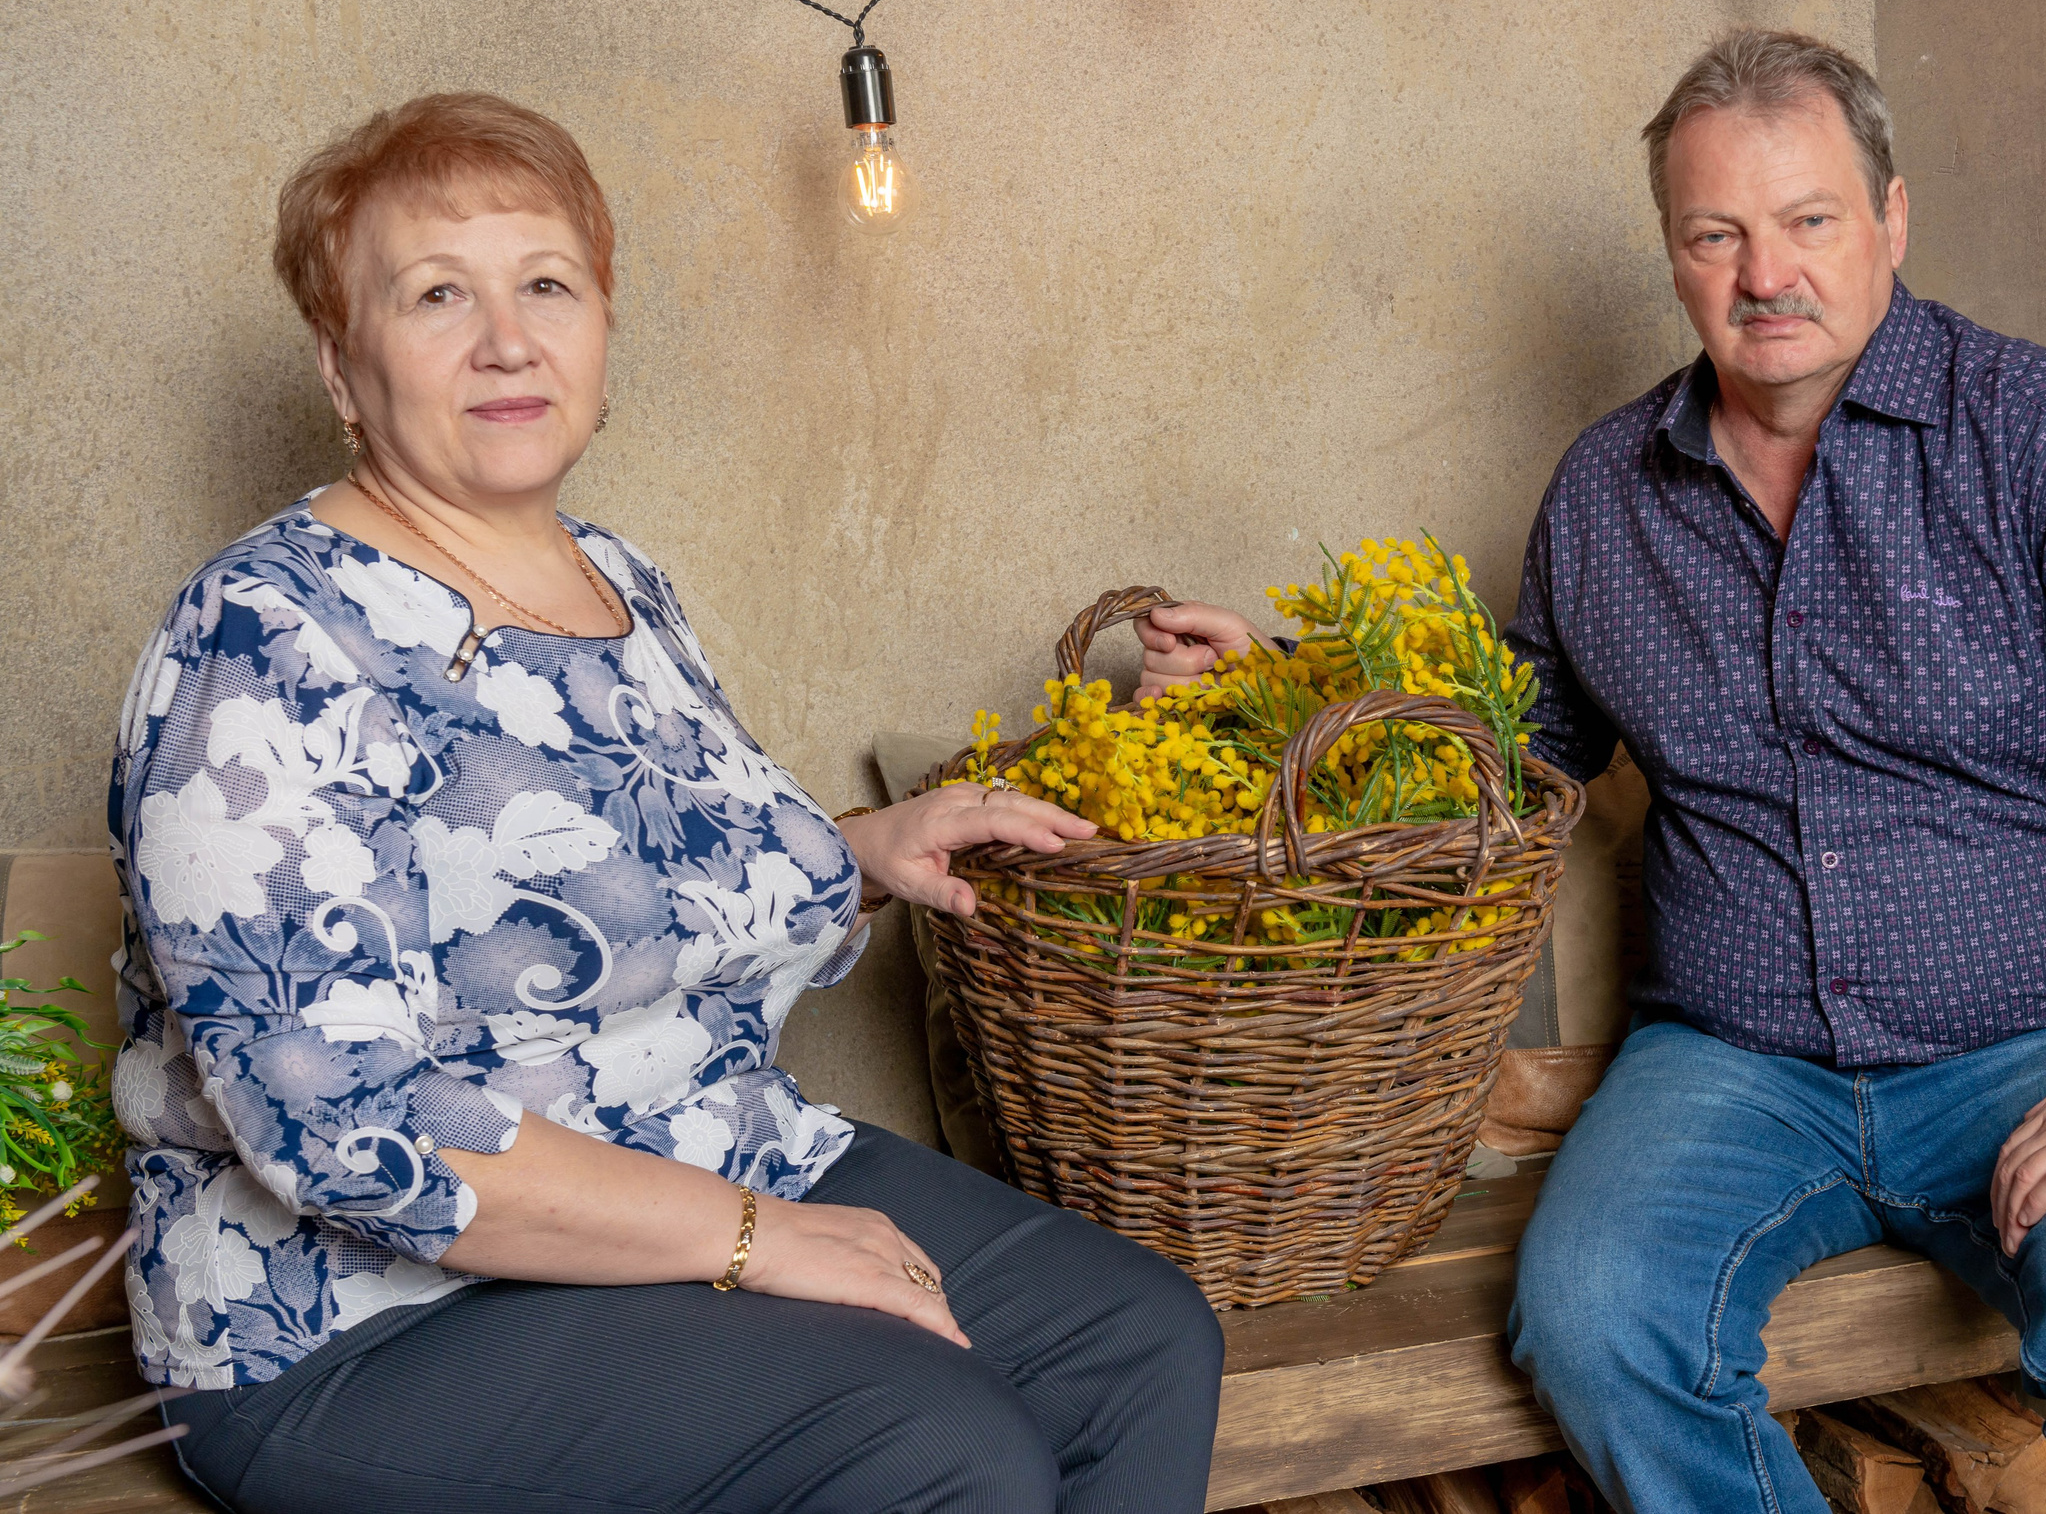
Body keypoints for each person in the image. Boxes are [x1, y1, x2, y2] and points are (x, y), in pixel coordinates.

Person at [1135, 29, 2046, 1514]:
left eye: (1808, 220)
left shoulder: (2038, 434)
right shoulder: (1606, 494)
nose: (1765, 275)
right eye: (1714, 235)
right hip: (1731, 1066)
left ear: (1892, 220)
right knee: (1593, 1316)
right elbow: (1512, 749)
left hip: (2042, 1042)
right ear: (1672, 256)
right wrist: (1281, 698)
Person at [112, 91, 1224, 1514]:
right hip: (359, 1319)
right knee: (938, 1444)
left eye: (547, 286)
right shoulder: (261, 639)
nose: (507, 339)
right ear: (341, 367)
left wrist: (863, 855)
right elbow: (339, 1123)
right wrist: (755, 1236)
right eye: (438, 294)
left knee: (1138, 1343)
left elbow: (649, 887)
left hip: (705, 1158)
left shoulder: (621, 586)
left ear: (601, 329)